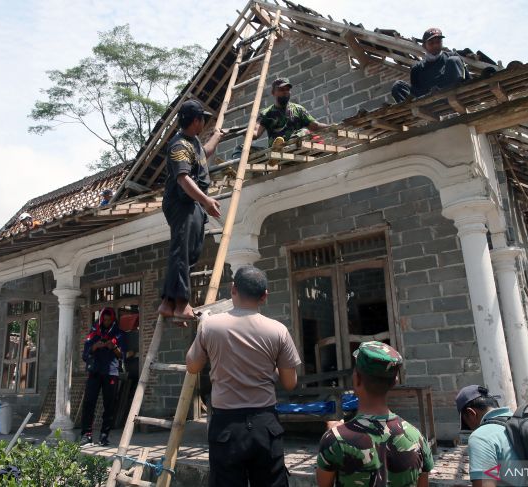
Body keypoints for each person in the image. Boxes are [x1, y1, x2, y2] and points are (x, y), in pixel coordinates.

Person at [186, 265, 301, 487]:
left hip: (226, 426)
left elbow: (192, 366)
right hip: (265, 425)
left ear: (233, 290)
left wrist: (202, 328)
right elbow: (290, 382)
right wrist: (267, 369)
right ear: (265, 296)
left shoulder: (210, 326)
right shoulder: (278, 330)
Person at [316, 341, 433, 487]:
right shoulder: (417, 438)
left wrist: (335, 433)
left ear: (356, 379)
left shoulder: (335, 439)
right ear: (394, 382)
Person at [157, 99, 224, 322]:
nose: (204, 122)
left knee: (189, 250)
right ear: (196, 120)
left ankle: (168, 303)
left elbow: (204, 153)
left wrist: (217, 136)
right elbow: (183, 178)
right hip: (182, 202)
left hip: (190, 202)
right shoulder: (179, 146)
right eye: (203, 119)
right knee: (183, 252)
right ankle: (182, 304)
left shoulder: (192, 142)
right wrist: (206, 200)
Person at [233, 78, 329, 164]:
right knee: (240, 149)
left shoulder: (298, 109)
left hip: (295, 148)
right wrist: (239, 130)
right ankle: (237, 169)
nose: (285, 92)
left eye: (287, 89)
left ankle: (283, 148)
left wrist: (332, 126)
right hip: (273, 152)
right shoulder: (267, 113)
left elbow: (315, 126)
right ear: (273, 93)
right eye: (281, 90)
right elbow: (255, 134)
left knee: (305, 132)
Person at [80, 307, 125, 446]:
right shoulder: (93, 334)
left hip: (111, 373)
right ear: (100, 320)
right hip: (94, 372)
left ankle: (104, 436)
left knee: (109, 406)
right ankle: (86, 435)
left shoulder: (119, 334)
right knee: (89, 403)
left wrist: (114, 347)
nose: (106, 322)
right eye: (104, 320)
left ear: (113, 320)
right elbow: (85, 356)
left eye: (109, 320)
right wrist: (95, 347)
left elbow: (123, 355)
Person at [456, 385, 517, 487]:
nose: (471, 429)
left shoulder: (480, 437)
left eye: (467, 424)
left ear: (471, 413)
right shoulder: (522, 420)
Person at [391, 28, 471, 103]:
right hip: (428, 102)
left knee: (455, 59)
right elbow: (415, 92)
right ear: (424, 46)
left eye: (438, 42)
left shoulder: (451, 57)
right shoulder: (417, 68)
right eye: (431, 43)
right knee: (398, 86)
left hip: (451, 95)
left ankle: (452, 95)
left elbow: (468, 79)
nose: (435, 45)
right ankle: (410, 113)